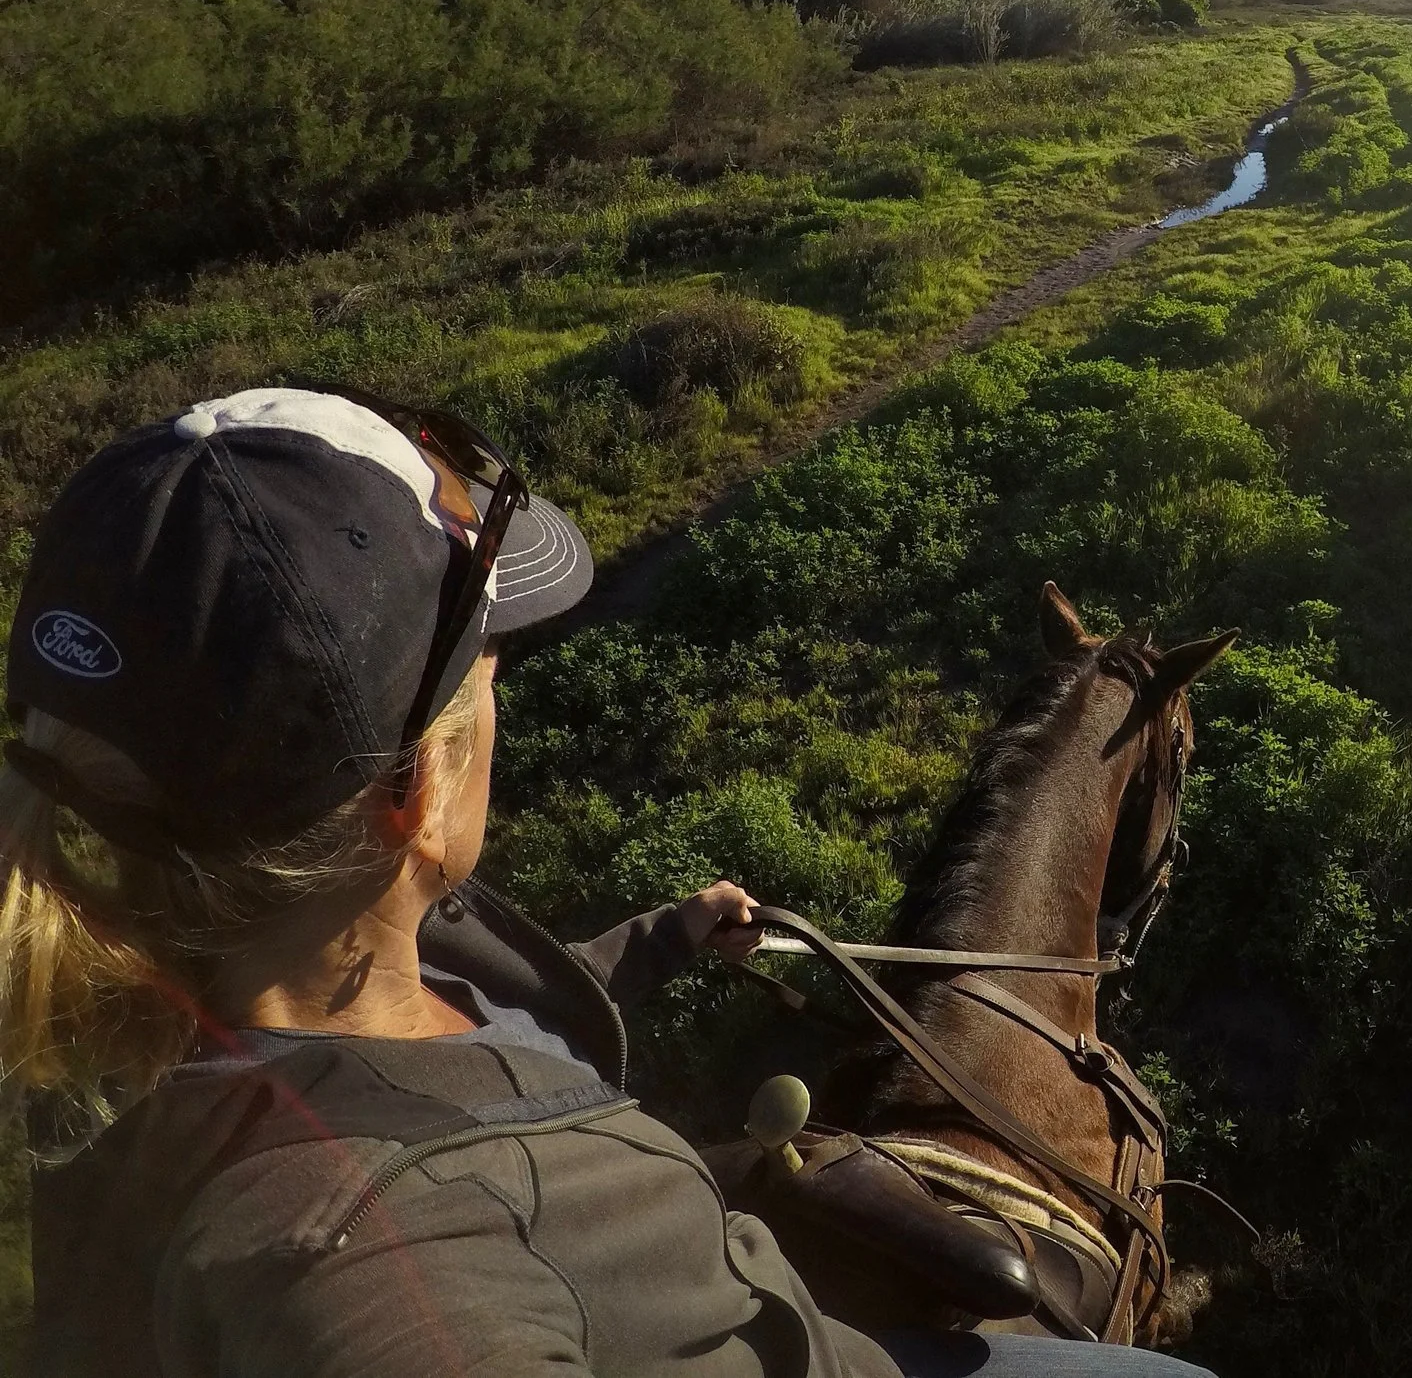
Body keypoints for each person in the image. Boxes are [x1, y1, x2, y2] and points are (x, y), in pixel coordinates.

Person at [1, 387, 1205, 1377]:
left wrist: (667, 934)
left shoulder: (320, 965)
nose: (500, 695)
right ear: (408, 794)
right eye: (490, 670)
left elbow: (515, 1018)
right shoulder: (381, 1258)